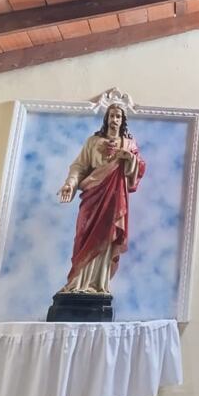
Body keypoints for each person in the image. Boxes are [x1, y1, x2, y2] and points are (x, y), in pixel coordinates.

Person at [57, 103, 146, 295]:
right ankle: (77, 282)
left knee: (107, 235)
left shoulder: (129, 144)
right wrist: (70, 183)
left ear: (123, 121)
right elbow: (79, 166)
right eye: (111, 116)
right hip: (92, 197)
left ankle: (98, 284)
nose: (114, 120)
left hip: (114, 199)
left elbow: (139, 169)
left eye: (118, 116)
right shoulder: (93, 142)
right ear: (106, 119)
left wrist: (129, 158)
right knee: (83, 236)